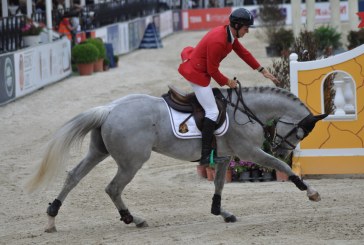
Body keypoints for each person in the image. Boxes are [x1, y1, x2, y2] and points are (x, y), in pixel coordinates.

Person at [178, 8, 280, 166]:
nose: (247, 32)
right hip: (196, 73)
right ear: (238, 26)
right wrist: (228, 82)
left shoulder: (229, 34)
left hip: (202, 69)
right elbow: (212, 70)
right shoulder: (219, 40)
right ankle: (205, 156)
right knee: (212, 111)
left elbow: (244, 53)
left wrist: (262, 71)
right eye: (246, 28)